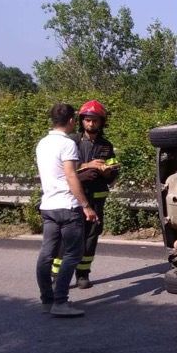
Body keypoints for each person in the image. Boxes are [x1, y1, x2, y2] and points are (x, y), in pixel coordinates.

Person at [35, 103, 98, 318]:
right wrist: (86, 206)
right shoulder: (68, 144)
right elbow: (71, 176)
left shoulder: (42, 144)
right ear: (72, 120)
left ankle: (47, 300)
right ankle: (60, 302)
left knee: (46, 255)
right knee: (73, 254)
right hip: (68, 206)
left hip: (48, 206)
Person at [67, 99, 119, 290]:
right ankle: (57, 274)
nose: (91, 124)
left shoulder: (106, 145)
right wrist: (87, 165)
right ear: (81, 121)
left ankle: (82, 274)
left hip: (97, 197)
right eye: (87, 120)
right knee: (70, 235)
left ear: (101, 122)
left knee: (91, 236)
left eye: (95, 120)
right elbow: (66, 169)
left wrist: (108, 171)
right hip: (74, 197)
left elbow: (114, 172)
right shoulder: (72, 141)